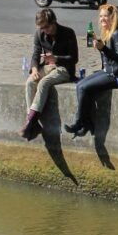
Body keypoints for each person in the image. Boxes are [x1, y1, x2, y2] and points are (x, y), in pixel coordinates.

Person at [64, 4, 118, 138]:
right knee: (80, 84)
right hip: (109, 71)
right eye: (100, 16)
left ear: (113, 18)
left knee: (84, 87)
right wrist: (99, 44)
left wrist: (103, 48)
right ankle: (87, 123)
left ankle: (79, 123)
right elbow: (108, 57)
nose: (102, 19)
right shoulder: (108, 33)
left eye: (105, 16)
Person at [20, 8, 78, 141]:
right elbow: (35, 54)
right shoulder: (39, 34)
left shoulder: (68, 33)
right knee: (30, 82)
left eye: (46, 27)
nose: (44, 30)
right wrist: (34, 69)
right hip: (47, 66)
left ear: (54, 22)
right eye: (41, 28)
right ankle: (32, 122)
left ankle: (30, 122)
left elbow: (74, 58)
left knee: (44, 82)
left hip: (64, 68)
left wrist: (56, 58)